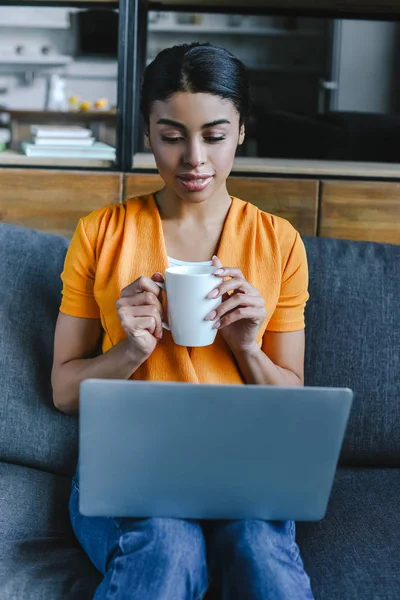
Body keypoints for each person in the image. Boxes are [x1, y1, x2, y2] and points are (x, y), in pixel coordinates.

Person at [51, 42, 314, 600]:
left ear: (241, 131)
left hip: (243, 470)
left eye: (215, 136)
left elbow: (295, 402)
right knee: (167, 547)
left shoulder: (279, 243)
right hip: (129, 467)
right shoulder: (101, 234)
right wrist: (129, 350)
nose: (194, 159)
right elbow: (64, 393)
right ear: (148, 133)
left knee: (261, 554)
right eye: (172, 137)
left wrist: (248, 348)